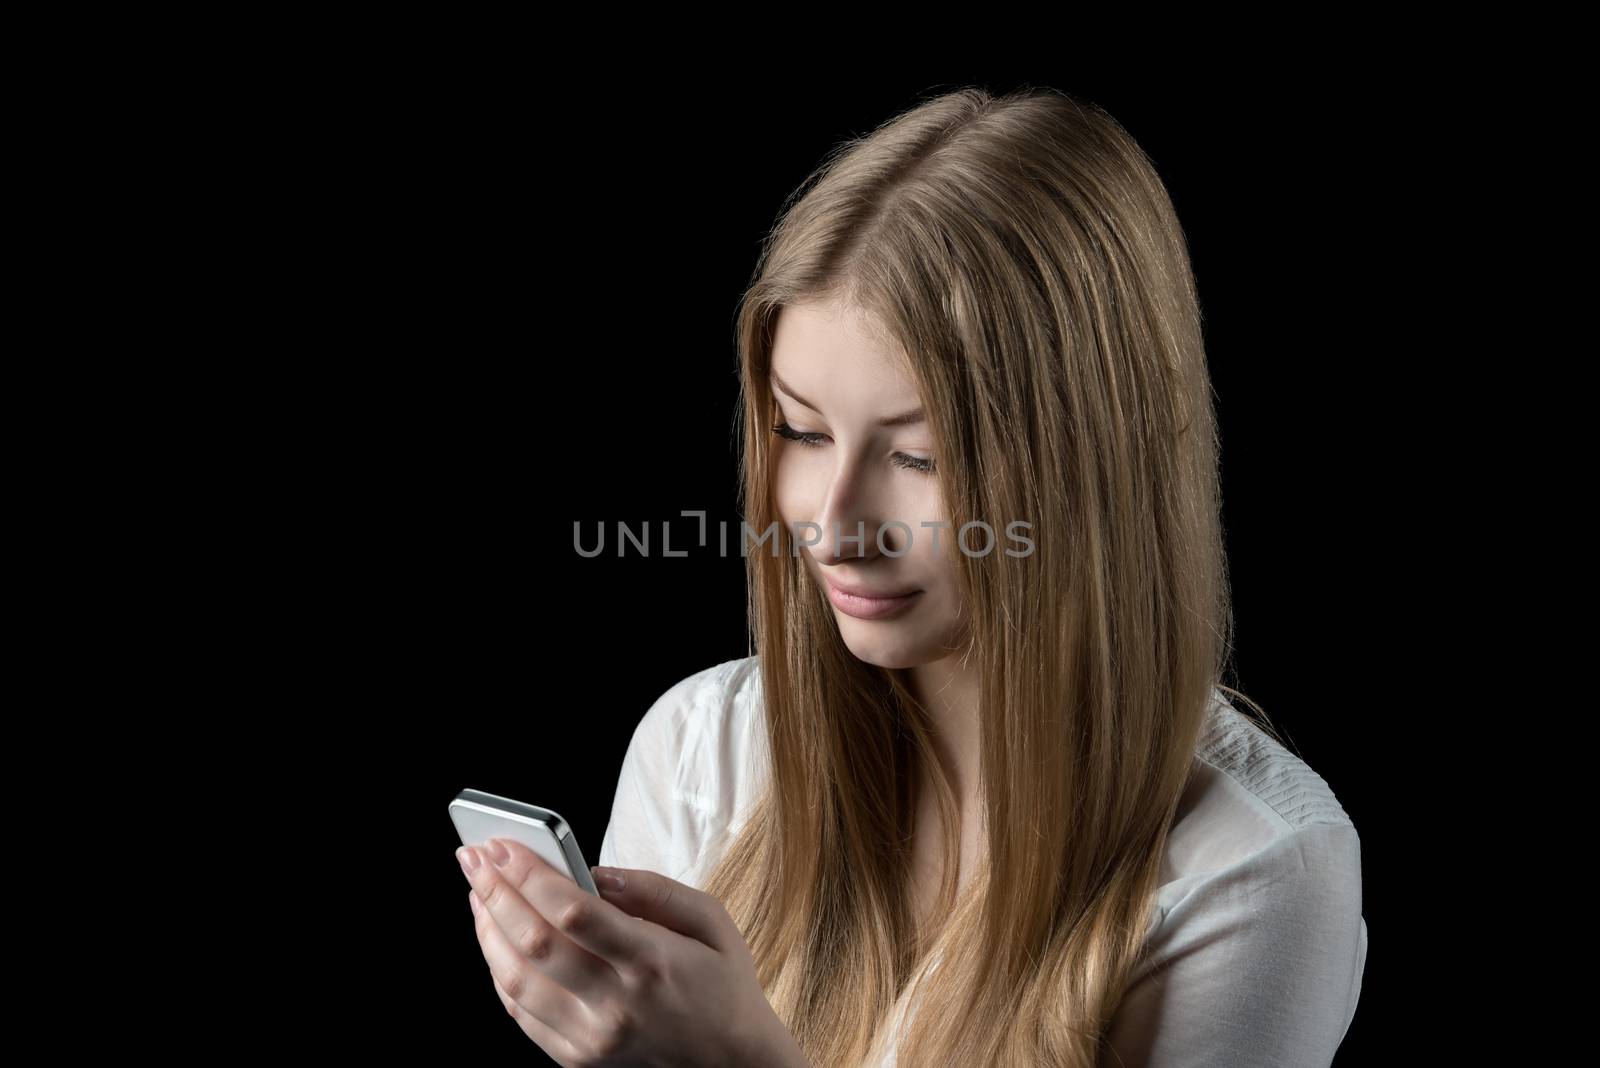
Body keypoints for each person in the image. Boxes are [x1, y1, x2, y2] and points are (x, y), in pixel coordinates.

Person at [465, 85, 1367, 1068]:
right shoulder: (702, 754)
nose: (834, 528)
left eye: (920, 457)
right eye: (800, 431)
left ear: (1099, 459)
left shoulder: (1253, 873)